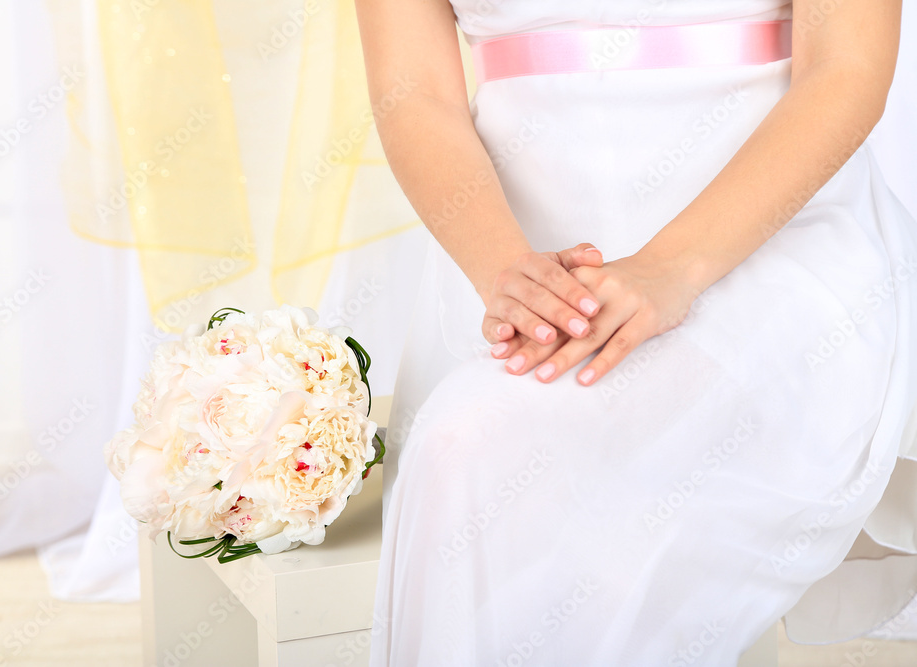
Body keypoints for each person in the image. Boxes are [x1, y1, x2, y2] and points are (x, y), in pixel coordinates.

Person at [354, 0, 917, 664]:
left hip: (767, 246)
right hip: (513, 250)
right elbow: (414, 93)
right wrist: (508, 272)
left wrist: (671, 267)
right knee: (461, 444)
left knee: (507, 452)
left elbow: (846, 67)